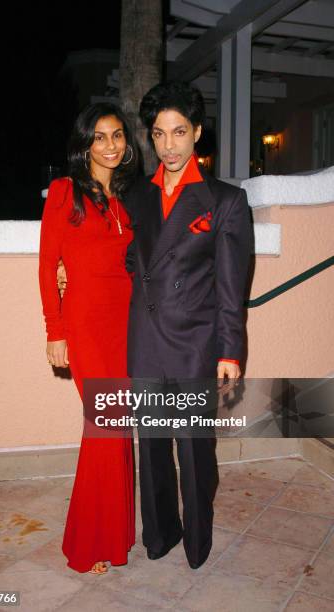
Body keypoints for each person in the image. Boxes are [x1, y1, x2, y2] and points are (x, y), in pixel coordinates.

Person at [125, 81, 252, 569]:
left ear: (197, 132)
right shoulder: (138, 196)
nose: (169, 145)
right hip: (146, 342)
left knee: (196, 452)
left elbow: (231, 287)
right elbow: (128, 263)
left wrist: (229, 350)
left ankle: (199, 539)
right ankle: (160, 534)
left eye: (179, 132)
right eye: (159, 134)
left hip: (196, 343)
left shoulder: (225, 200)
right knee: (153, 449)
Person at [38, 102, 139, 574]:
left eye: (117, 135)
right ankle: (87, 544)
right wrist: (55, 331)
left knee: (116, 429)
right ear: (85, 145)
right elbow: (46, 266)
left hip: (125, 323)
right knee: (105, 428)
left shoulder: (121, 200)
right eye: (100, 137)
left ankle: (113, 536)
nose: (111, 145)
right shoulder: (64, 192)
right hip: (85, 323)